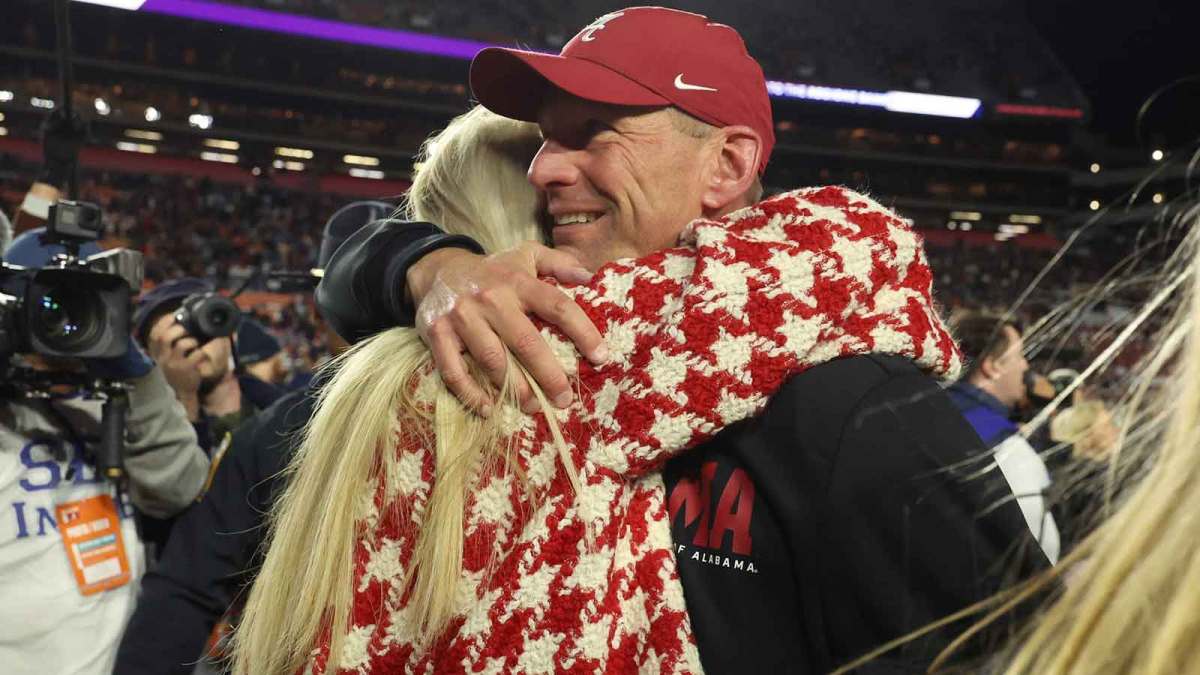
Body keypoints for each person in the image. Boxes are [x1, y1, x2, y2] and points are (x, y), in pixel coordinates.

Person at [240, 15, 1040, 673]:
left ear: (726, 166)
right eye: (546, 140)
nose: (546, 169)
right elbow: (350, 253)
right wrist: (422, 261)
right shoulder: (499, 340)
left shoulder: (852, 401)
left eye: (593, 134)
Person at [112, 201, 388, 675]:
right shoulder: (276, 428)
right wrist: (176, 400)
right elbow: (186, 575)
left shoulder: (277, 421)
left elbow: (185, 588)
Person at [0, 230, 210, 675]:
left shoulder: (113, 403)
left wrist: (136, 373)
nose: (68, 321)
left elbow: (180, 487)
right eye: (50, 303)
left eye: (89, 302)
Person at [946, 312, 1061, 564]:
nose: (1025, 367)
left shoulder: (934, 410)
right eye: (1019, 356)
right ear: (992, 366)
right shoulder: (1007, 447)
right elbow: (1043, 550)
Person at [133, 279, 283, 455]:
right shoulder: (138, 434)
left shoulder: (287, 414)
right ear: (150, 357)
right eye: (173, 342)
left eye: (201, 328)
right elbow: (185, 480)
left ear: (231, 333)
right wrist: (184, 401)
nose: (190, 345)